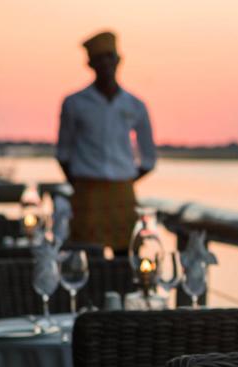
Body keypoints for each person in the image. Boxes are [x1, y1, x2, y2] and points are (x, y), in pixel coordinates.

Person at [56, 30, 156, 251]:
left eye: (109, 57)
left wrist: (124, 179)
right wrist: (81, 183)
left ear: (118, 60)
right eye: (99, 58)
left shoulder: (135, 105)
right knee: (86, 258)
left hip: (123, 192)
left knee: (126, 257)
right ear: (90, 63)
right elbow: (63, 152)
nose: (105, 64)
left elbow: (149, 158)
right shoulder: (74, 103)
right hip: (86, 192)